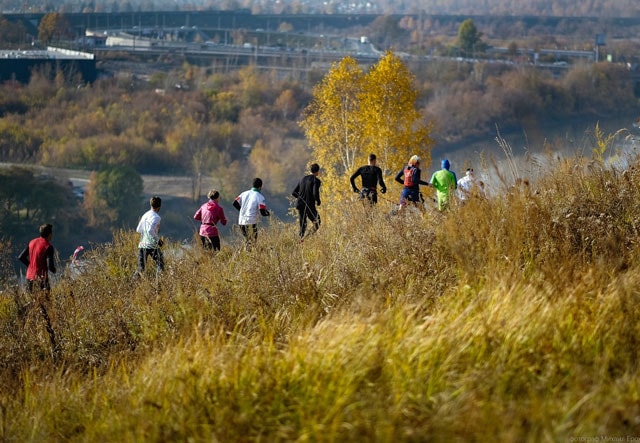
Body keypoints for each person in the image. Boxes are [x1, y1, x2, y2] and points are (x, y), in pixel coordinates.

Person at [18, 223, 56, 294]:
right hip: (41, 279)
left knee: (34, 302)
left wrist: (30, 266)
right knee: (47, 303)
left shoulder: (32, 242)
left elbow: (21, 257)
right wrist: (54, 270)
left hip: (29, 277)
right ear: (50, 234)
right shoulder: (48, 246)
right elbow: (50, 267)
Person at [233, 178, 270, 245]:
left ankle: (246, 254)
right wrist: (269, 213)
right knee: (252, 242)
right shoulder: (260, 197)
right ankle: (250, 254)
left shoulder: (243, 193)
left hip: (241, 221)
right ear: (260, 187)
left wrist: (242, 211)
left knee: (248, 241)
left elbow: (234, 203)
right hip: (251, 222)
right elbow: (263, 212)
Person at [134, 195, 164, 278]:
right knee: (160, 265)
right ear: (159, 207)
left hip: (142, 245)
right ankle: (159, 284)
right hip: (152, 245)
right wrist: (158, 240)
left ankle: (132, 284)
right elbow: (150, 230)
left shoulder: (145, 215)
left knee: (141, 269)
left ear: (150, 205)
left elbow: (138, 229)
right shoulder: (157, 217)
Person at [292, 163, 322, 239]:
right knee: (317, 222)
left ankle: (300, 239)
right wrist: (318, 201)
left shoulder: (302, 179)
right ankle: (306, 238)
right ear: (317, 171)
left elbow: (294, 192)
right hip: (309, 205)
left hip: (300, 204)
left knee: (302, 224)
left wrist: (300, 198)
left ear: (310, 170)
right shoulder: (316, 180)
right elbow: (315, 193)